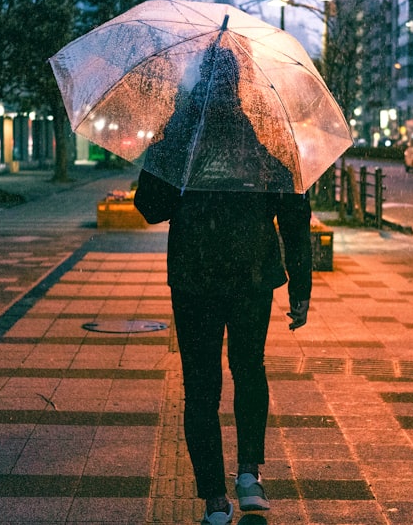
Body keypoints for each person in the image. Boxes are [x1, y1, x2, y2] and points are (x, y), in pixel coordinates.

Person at [134, 42, 312, 525]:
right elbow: (294, 211)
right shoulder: (263, 134)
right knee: (249, 369)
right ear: (238, 84)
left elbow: (149, 207)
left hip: (194, 277)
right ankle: (249, 475)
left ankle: (214, 498)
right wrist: (300, 285)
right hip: (253, 274)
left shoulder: (181, 135)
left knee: (201, 385)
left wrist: (168, 142)